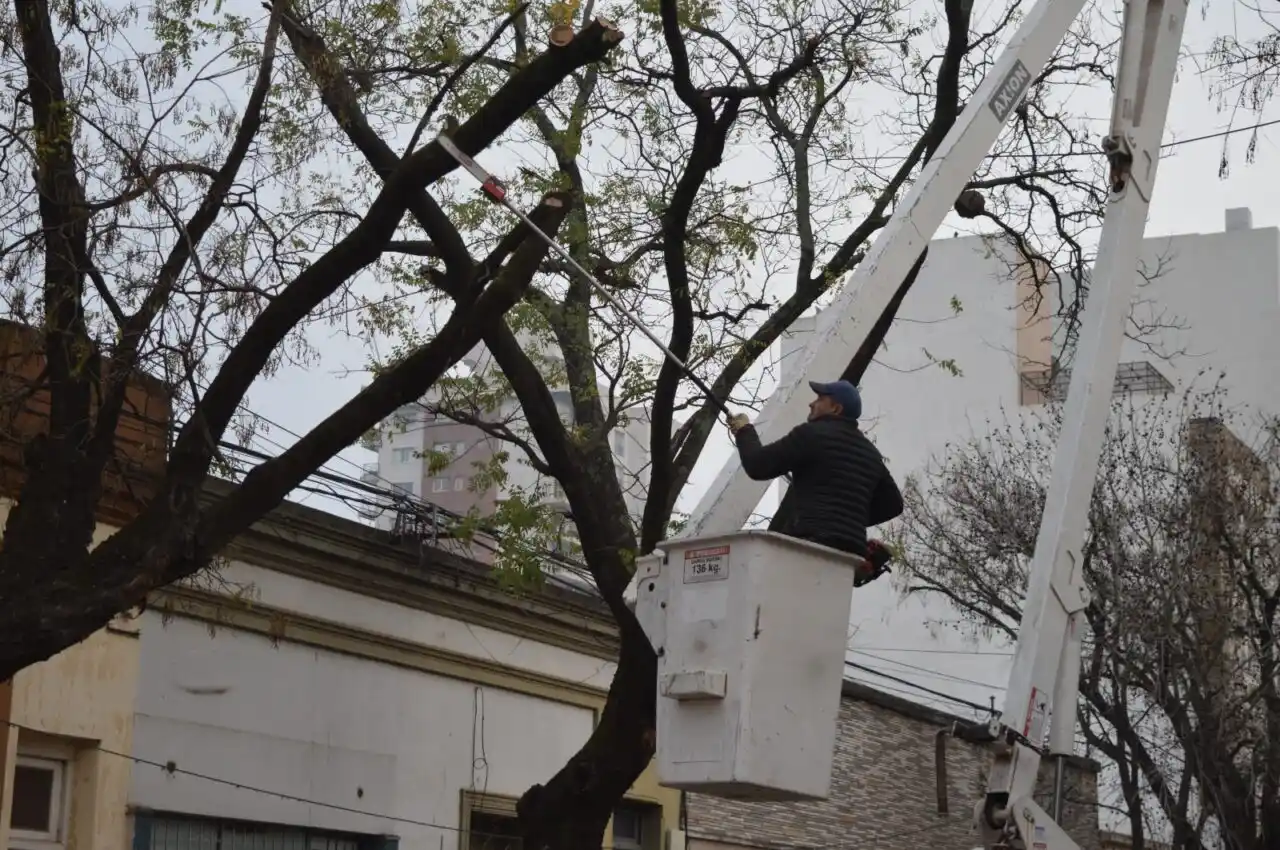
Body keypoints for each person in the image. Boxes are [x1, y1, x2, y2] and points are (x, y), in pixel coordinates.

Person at [727, 379, 903, 587]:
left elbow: (758, 465)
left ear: (836, 408)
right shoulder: (871, 454)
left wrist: (744, 431)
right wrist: (847, 516)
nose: (812, 404)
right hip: (850, 555)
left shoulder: (811, 435)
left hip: (809, 545)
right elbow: (894, 504)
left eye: (820, 399)